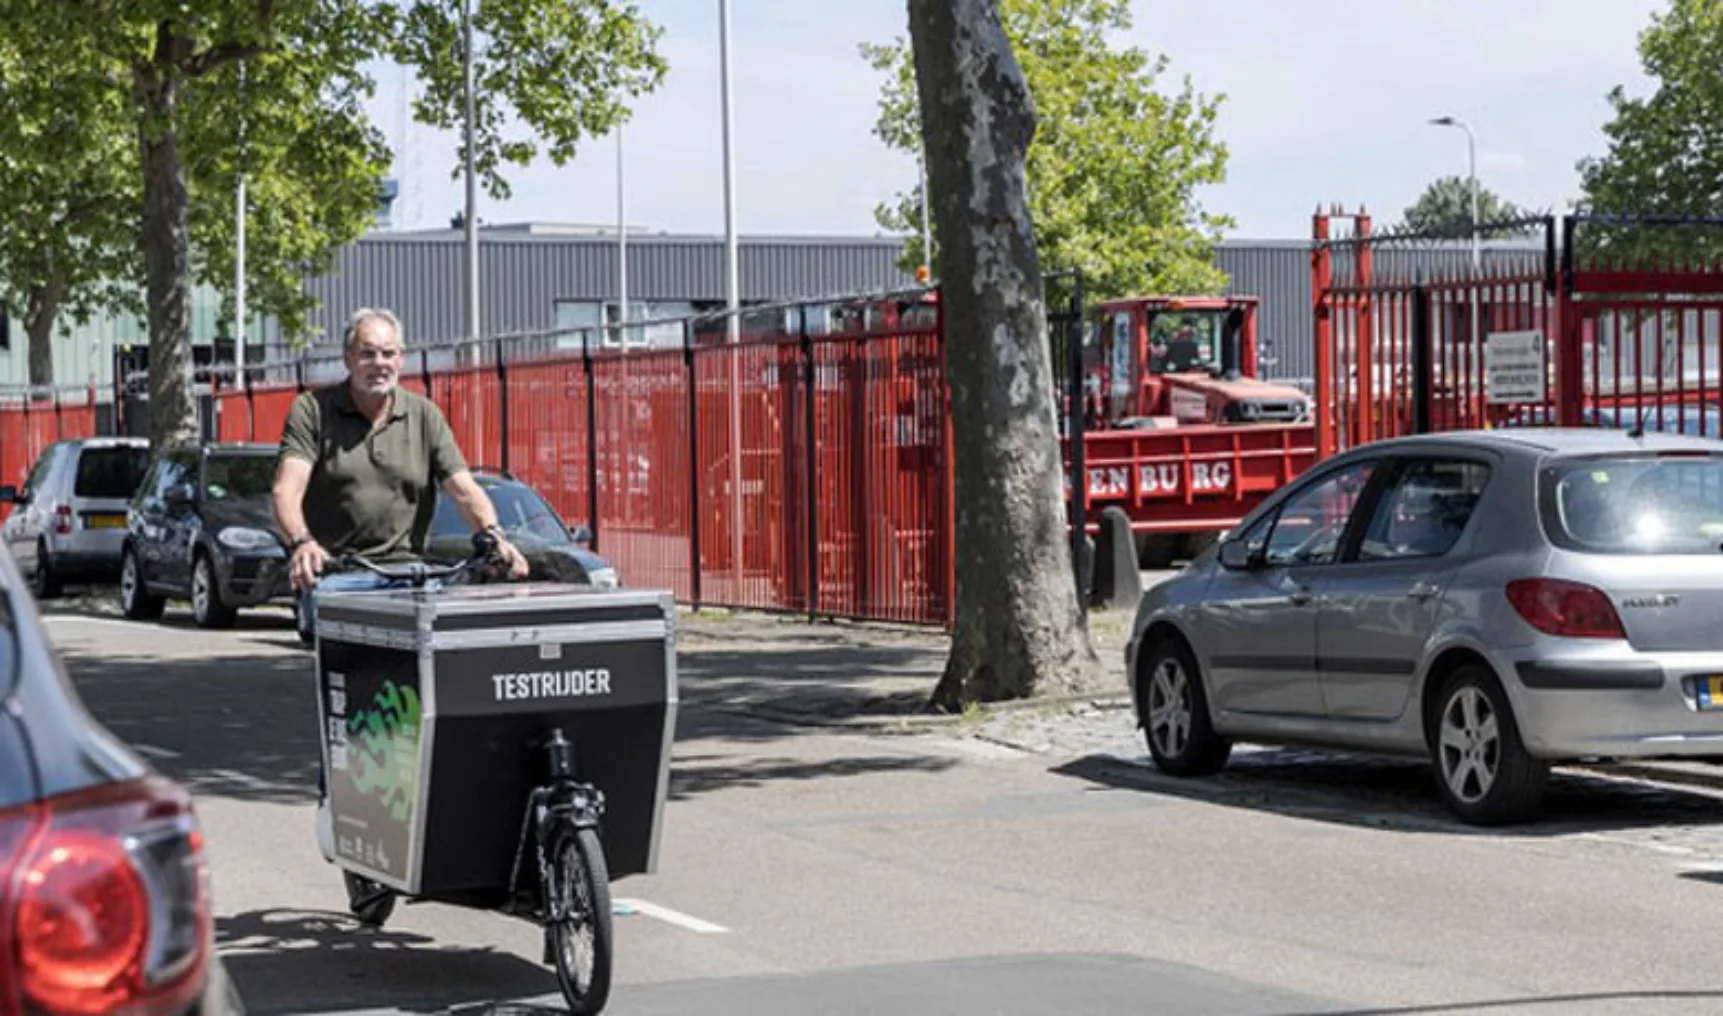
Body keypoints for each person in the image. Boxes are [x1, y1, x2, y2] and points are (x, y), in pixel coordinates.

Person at [272, 307, 529, 861]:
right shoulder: (313, 412)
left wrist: (495, 535)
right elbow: (286, 491)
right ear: (348, 359)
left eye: (388, 353)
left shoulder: (424, 416)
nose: (378, 363)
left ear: (402, 359)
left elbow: (462, 487)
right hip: (341, 579)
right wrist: (302, 542)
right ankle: (338, 802)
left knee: (436, 692)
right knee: (353, 701)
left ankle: (431, 803)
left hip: (412, 575)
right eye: (367, 353)